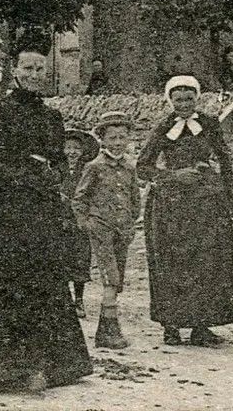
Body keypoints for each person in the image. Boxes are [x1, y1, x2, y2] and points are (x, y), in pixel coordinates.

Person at [0, 38, 93, 394]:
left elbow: (59, 160)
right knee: (9, 286)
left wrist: (54, 173)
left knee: (45, 282)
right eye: (28, 69)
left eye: (41, 69)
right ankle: (10, 370)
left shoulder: (51, 117)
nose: (35, 75)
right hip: (7, 212)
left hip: (41, 211)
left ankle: (58, 364)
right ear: (14, 73)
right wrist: (23, 172)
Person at [136, 75, 233, 347]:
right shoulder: (163, 128)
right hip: (170, 206)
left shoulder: (210, 124)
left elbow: (225, 160)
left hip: (205, 202)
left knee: (206, 262)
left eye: (189, 99)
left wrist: (229, 194)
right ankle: (171, 326)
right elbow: (142, 167)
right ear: (170, 100)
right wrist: (173, 175)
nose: (184, 104)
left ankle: (201, 326)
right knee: (171, 263)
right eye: (178, 99)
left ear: (198, 99)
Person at [72, 112, 141, 349]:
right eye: (113, 138)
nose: (118, 143)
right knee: (110, 276)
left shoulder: (130, 168)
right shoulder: (94, 167)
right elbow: (79, 198)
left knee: (117, 277)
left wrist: (132, 220)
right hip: (101, 228)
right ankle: (110, 331)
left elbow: (134, 197)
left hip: (122, 230)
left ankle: (106, 329)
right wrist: (86, 223)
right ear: (102, 140)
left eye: (123, 137)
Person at [61, 128, 98, 317]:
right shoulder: (55, 169)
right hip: (58, 222)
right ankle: (63, 301)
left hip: (79, 223)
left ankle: (79, 300)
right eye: (68, 147)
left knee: (80, 261)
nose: (72, 152)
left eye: (76, 148)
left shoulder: (87, 170)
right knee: (59, 260)